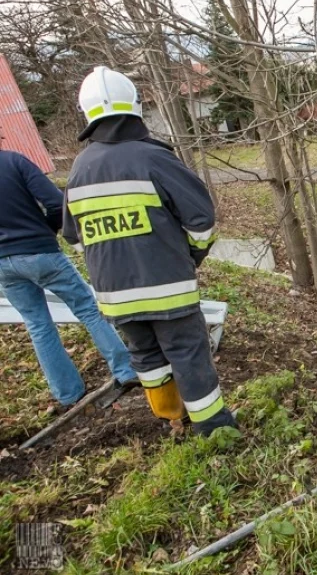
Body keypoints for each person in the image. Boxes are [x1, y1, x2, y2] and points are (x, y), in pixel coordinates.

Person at [62, 66, 237, 437]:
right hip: (167, 287)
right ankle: (216, 430)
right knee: (188, 353)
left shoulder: (78, 170)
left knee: (146, 357)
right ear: (135, 106)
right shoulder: (153, 158)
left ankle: (172, 418)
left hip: (115, 296)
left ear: (88, 114)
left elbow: (74, 238)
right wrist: (190, 257)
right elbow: (202, 222)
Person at [0, 149, 140, 413]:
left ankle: (68, 394)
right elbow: (56, 203)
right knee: (88, 309)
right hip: (40, 251)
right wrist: (45, 230)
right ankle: (126, 369)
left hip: (3, 264)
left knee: (37, 325)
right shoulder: (14, 161)